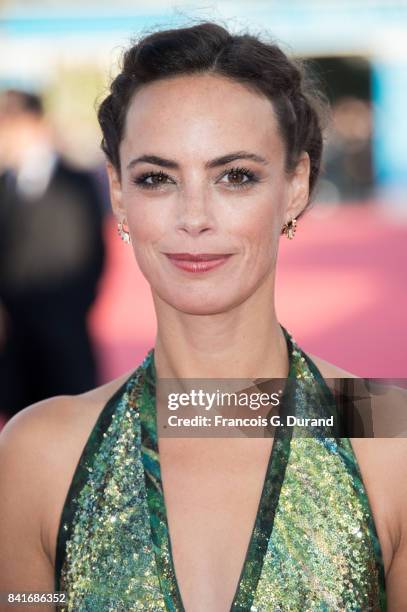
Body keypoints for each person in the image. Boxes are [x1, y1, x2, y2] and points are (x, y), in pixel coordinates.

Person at [0, 21, 405, 611]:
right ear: (117, 192)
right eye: (157, 178)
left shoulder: (389, 430)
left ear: (296, 186)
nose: (194, 217)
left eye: (235, 176)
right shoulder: (38, 450)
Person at [0, 90, 106, 418]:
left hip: (65, 340)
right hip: (15, 345)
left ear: (32, 123)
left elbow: (92, 258)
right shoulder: (4, 182)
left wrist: (66, 319)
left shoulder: (77, 181)